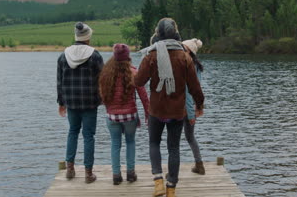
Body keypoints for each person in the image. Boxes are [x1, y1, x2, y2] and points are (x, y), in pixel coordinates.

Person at [135, 18, 205, 197]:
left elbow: (138, 81)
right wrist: (199, 105)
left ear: (158, 34)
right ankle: (171, 189)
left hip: (157, 110)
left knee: (154, 143)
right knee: (173, 148)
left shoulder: (151, 55)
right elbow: (195, 87)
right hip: (176, 111)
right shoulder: (185, 57)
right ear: (176, 34)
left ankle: (158, 181)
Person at [56, 22, 104, 184]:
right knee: (88, 136)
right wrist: (103, 98)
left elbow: (59, 82)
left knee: (73, 132)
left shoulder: (63, 56)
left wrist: (61, 102)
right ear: (88, 37)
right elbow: (102, 80)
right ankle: (88, 173)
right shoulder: (95, 55)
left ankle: (70, 169)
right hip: (90, 103)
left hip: (71, 102)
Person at [99, 44, 150, 185]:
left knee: (115, 144)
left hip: (112, 116)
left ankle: (116, 175)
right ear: (128, 57)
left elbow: (102, 96)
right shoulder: (133, 72)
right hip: (130, 116)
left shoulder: (106, 73)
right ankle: (131, 174)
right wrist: (148, 113)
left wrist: (109, 108)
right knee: (130, 142)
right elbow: (143, 96)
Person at [182, 38, 206, 175]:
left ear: (188, 51)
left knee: (175, 141)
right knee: (190, 137)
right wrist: (199, 107)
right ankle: (199, 164)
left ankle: (173, 171)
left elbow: (188, 92)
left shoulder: (187, 65)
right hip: (193, 106)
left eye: (183, 48)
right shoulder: (196, 65)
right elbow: (198, 91)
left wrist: (191, 113)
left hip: (186, 107)